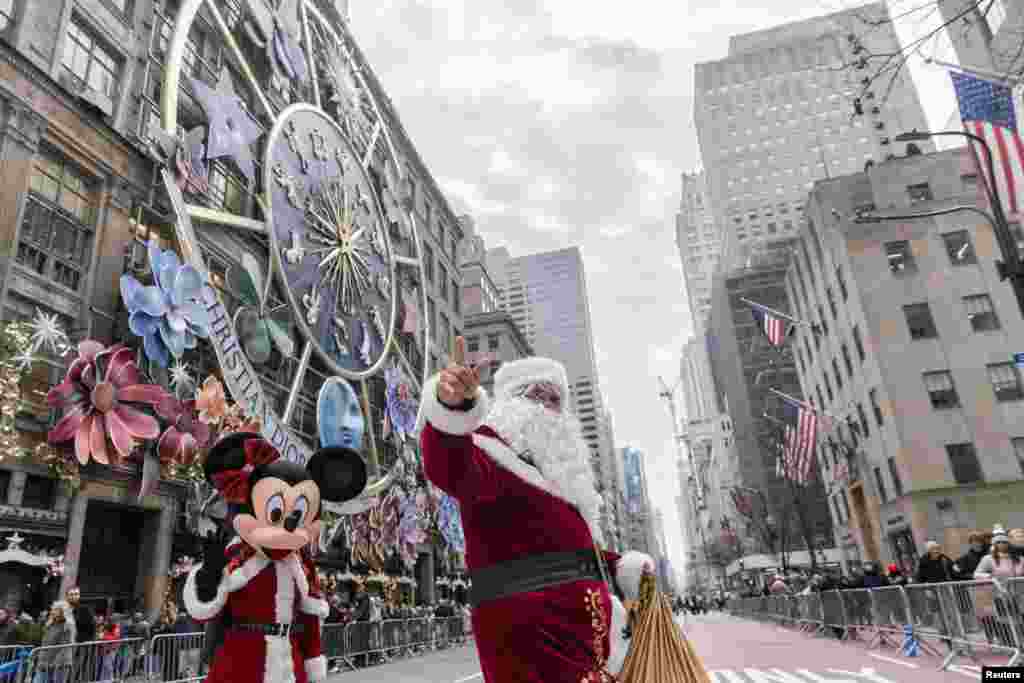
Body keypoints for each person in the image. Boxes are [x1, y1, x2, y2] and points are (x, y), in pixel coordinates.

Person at [417, 340, 661, 682]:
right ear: (509, 404)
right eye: (535, 396)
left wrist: (617, 564)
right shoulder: (486, 452)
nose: (548, 407)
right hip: (529, 640)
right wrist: (452, 408)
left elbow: (567, 550)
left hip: (588, 638)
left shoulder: (564, 481)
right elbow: (448, 466)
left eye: (555, 399)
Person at [34, 601, 74, 683]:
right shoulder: (49, 624)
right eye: (53, 609)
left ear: (63, 611)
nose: (52, 611)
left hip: (60, 664)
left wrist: (54, 663)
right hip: (45, 662)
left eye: (56, 610)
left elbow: (65, 647)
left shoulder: (67, 626)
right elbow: (44, 643)